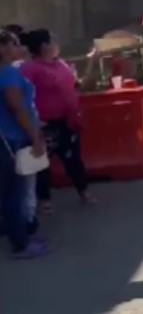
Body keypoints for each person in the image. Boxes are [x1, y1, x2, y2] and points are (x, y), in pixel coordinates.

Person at [20, 29, 95, 212]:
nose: (57, 43)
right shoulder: (30, 69)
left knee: (73, 158)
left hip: (67, 119)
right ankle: (45, 200)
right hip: (44, 123)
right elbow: (23, 95)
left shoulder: (60, 64)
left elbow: (72, 83)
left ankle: (83, 191)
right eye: (53, 40)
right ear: (44, 45)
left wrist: (79, 81)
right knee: (42, 162)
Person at [0, 29, 50, 259]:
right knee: (14, 194)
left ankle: (23, 234)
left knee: (14, 193)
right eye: (14, 43)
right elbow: (18, 109)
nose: (19, 48)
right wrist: (34, 136)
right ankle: (20, 243)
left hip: (10, 137)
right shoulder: (8, 73)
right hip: (12, 139)